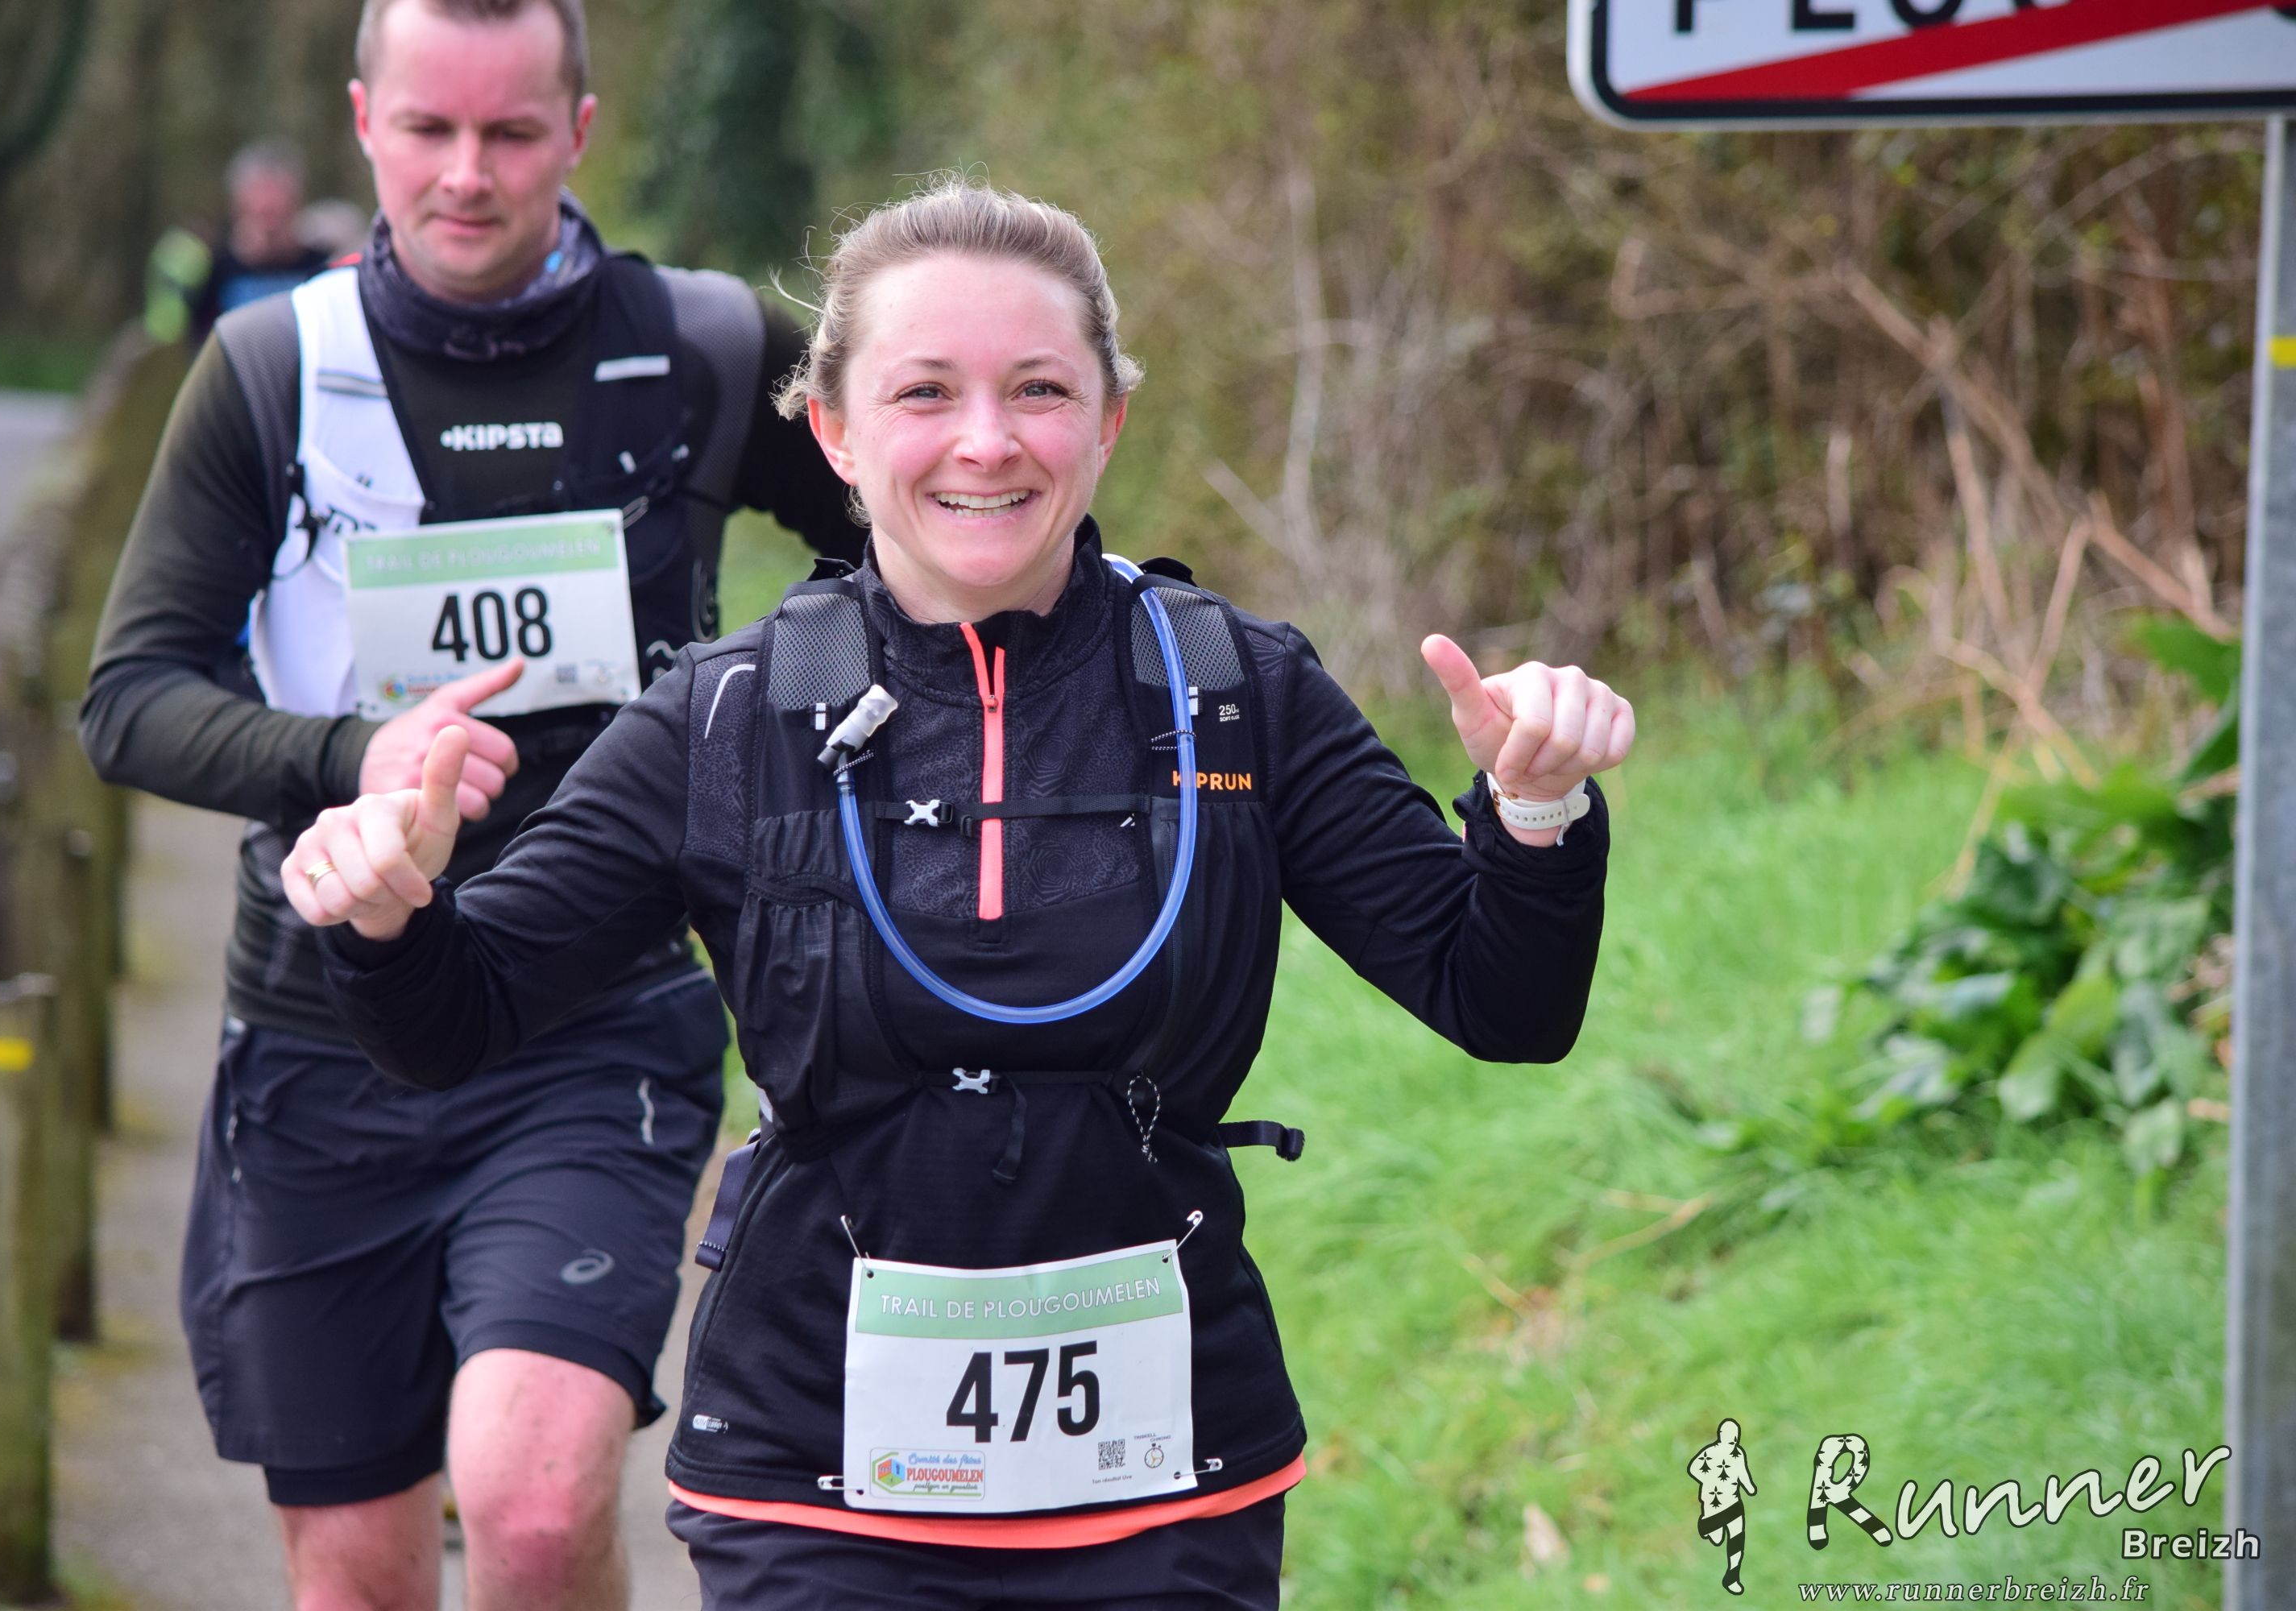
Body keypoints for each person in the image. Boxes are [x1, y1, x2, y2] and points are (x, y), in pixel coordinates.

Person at [288, 176, 1631, 1609]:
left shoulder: (1241, 690)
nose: (986, 442)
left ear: (1108, 421)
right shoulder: (725, 716)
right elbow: (459, 1020)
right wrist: (387, 912)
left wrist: (1535, 808)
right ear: (834, 431)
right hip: (814, 1480)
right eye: (925, 392)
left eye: (1039, 389)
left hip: (1170, 1486)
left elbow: (1502, 1003)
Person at [81, 0, 864, 1605]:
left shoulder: (705, 345)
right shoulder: (271, 366)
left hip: (593, 1017)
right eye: (428, 130)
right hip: (322, 1030)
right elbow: (131, 697)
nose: (465, 174)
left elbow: (911, 548)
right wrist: (347, 758)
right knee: (358, 1569)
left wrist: (794, 736)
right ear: (364, 119)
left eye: (510, 133)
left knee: (531, 1497)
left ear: (578, 131)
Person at [144, 142, 335, 349]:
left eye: (278, 194)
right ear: (237, 202)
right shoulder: (211, 273)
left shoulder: (324, 270)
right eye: (259, 193)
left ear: (298, 200)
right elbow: (171, 337)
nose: (268, 205)